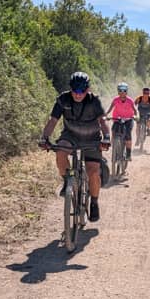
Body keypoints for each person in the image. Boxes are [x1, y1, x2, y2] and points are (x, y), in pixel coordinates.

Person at [40, 71, 110, 222]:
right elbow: (53, 120)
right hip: (70, 136)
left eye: (82, 91)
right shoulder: (63, 99)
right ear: (70, 88)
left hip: (92, 138)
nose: (78, 94)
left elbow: (103, 121)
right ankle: (68, 181)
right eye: (75, 90)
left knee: (93, 173)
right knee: (60, 152)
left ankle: (94, 202)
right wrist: (44, 138)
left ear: (87, 89)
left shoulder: (94, 101)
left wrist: (106, 137)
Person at [105, 82, 138, 161]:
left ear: (127, 91)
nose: (122, 92)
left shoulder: (130, 100)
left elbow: (135, 110)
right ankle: (115, 147)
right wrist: (105, 114)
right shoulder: (115, 100)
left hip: (128, 120)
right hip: (117, 119)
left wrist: (135, 116)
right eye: (120, 90)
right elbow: (109, 109)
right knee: (113, 131)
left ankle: (128, 154)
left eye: (124, 90)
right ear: (118, 91)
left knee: (127, 136)